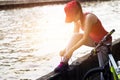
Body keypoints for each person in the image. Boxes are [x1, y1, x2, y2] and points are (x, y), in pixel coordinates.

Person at [54, 0, 110, 73]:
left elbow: (84, 38)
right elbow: (74, 38)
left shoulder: (88, 18)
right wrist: (65, 50)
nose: (73, 20)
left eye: (73, 17)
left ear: (79, 12)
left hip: (104, 42)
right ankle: (64, 63)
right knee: (75, 35)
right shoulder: (77, 21)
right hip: (93, 41)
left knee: (104, 70)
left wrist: (71, 50)